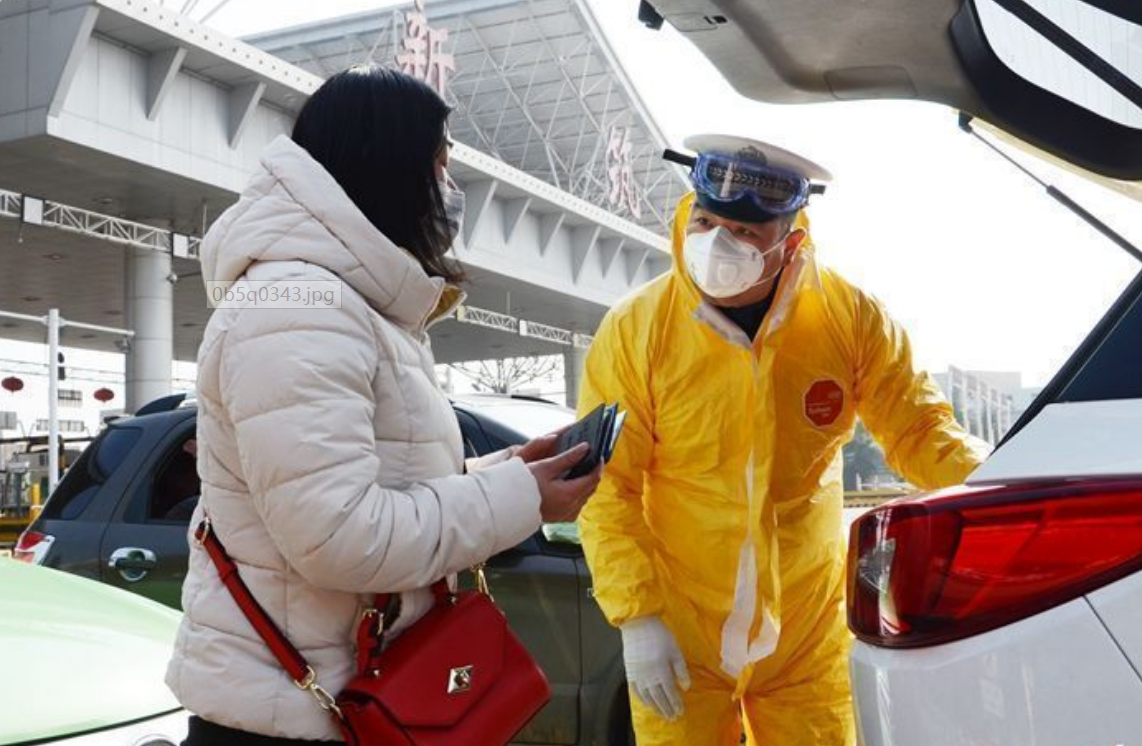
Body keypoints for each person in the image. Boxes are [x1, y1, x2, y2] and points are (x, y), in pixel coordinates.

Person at [166, 65, 601, 745]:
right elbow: (340, 536)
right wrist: (524, 500)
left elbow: (381, 488)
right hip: (291, 718)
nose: (448, 191)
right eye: (438, 166)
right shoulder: (297, 306)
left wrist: (510, 471)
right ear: (388, 165)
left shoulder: (345, 303)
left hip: (340, 698)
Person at [577, 134, 990, 745]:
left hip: (805, 631)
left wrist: (1002, 484)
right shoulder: (637, 329)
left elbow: (921, 429)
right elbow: (607, 482)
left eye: (746, 234)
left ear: (790, 243)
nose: (719, 242)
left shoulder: (848, 319)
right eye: (709, 220)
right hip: (684, 623)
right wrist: (637, 615)